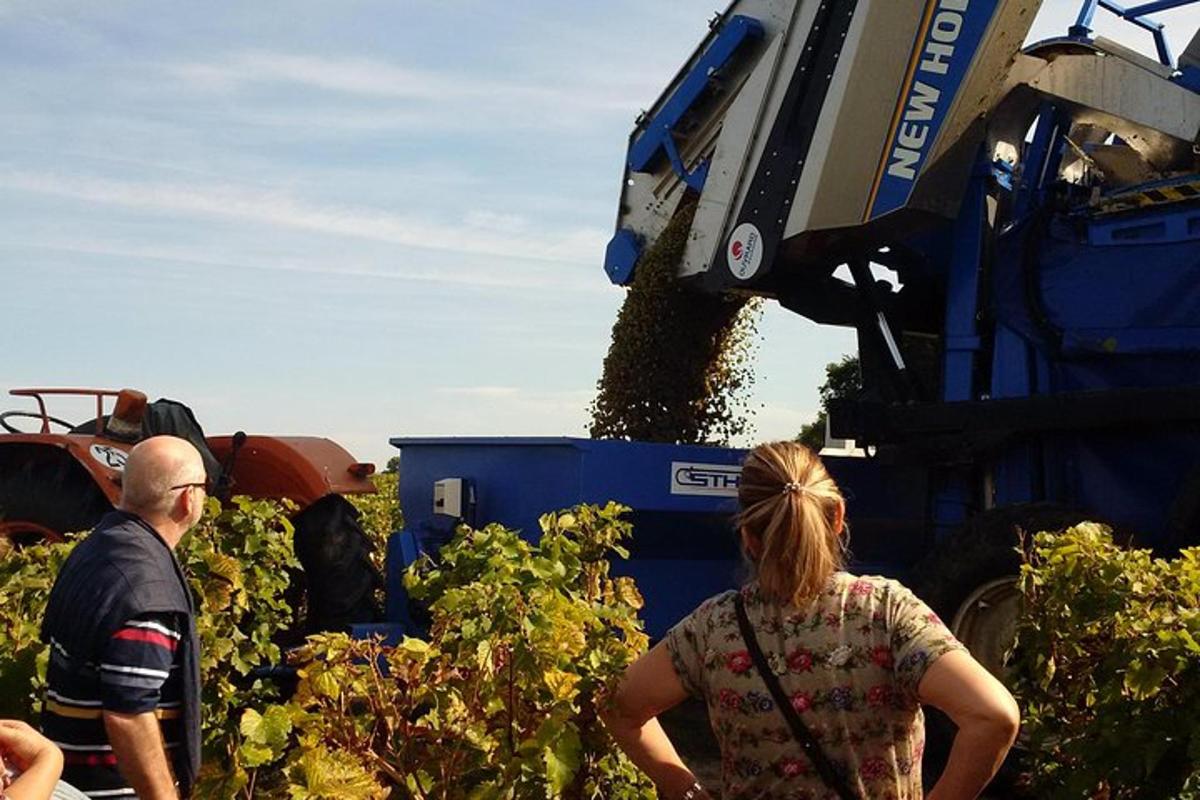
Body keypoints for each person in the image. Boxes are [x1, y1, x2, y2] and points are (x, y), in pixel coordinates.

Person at [601, 441, 1020, 800]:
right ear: (837, 517)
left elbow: (621, 707)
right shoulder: (887, 613)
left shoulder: (714, 627)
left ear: (748, 536)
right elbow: (993, 717)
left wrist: (684, 789)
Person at [40, 436, 208, 799]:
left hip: (67, 781)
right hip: (109, 791)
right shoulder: (147, 591)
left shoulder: (98, 548)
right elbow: (128, 714)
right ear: (188, 498)